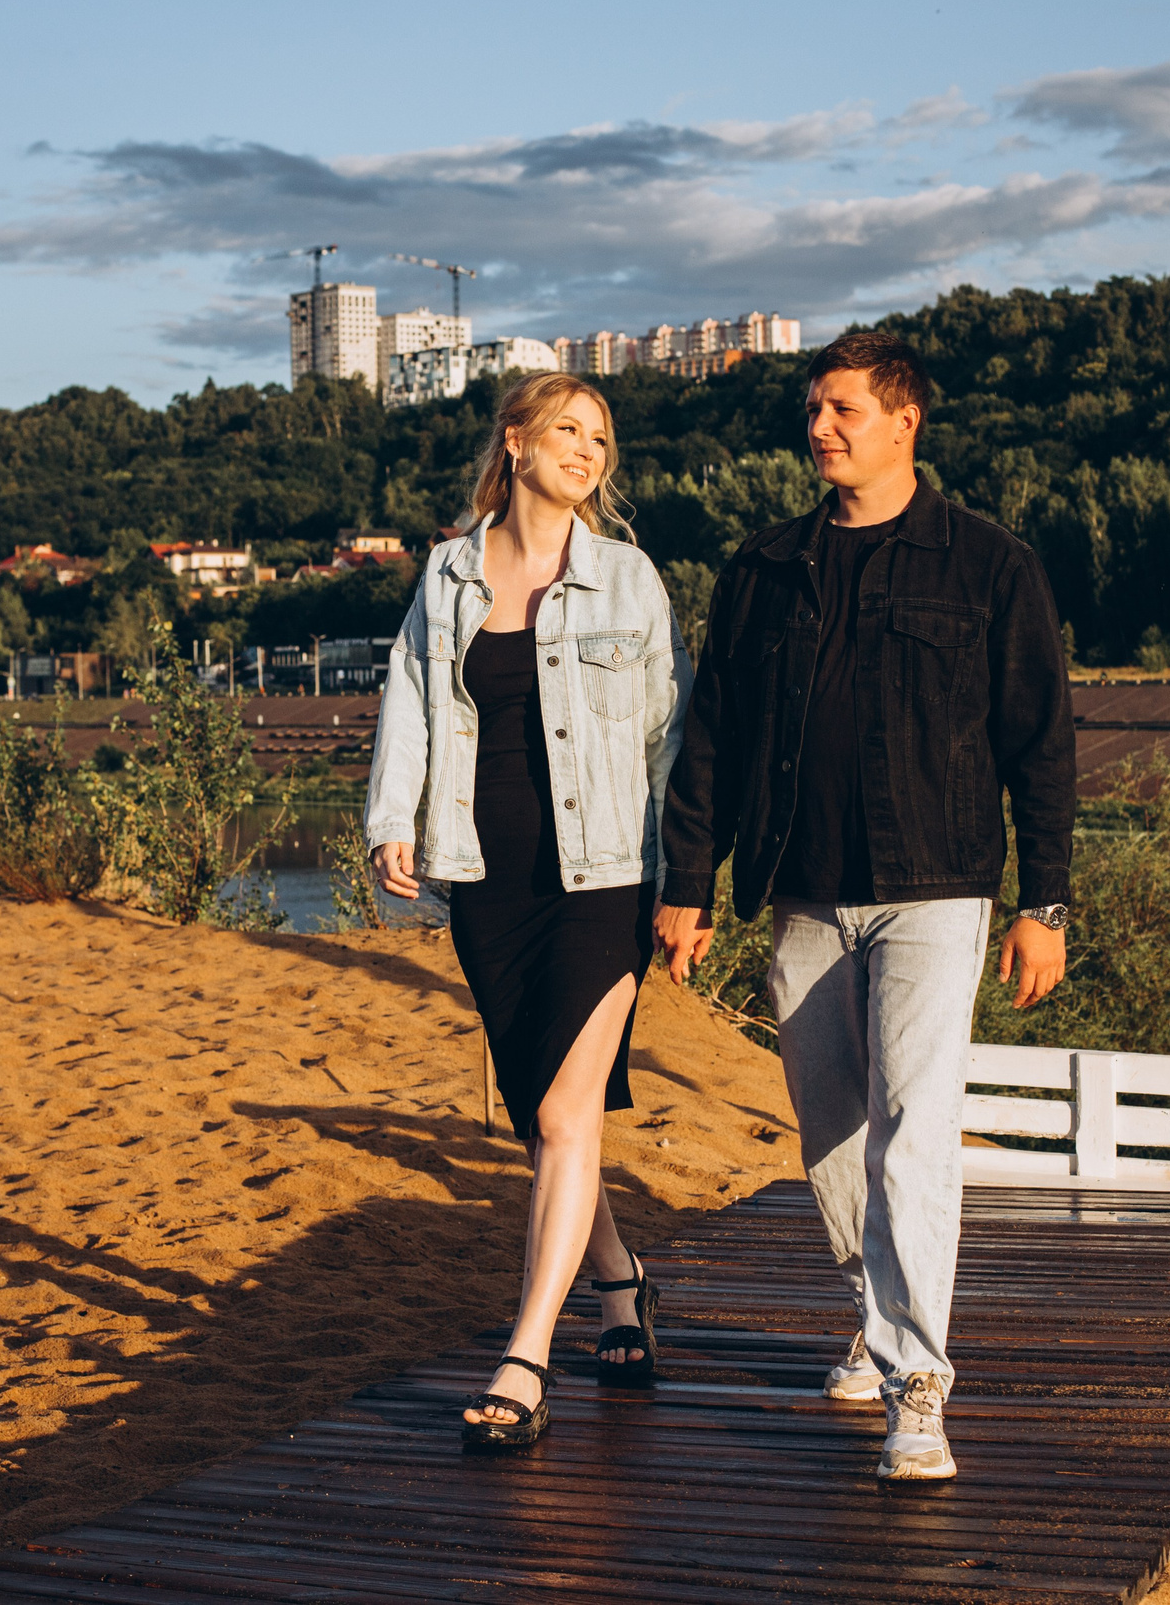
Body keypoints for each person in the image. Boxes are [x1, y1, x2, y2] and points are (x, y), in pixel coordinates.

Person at [653, 331, 1077, 1481]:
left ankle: (916, 1381)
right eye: (813, 409)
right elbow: (712, 736)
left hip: (935, 891)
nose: (820, 428)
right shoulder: (763, 567)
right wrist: (687, 885)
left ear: (904, 422)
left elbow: (1040, 742)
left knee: (912, 1129)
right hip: (800, 894)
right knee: (831, 1134)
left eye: (842, 409)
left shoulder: (988, 564)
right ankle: (874, 1309)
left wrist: (1045, 903)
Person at [364, 371, 688, 1448]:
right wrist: (390, 818)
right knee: (553, 1112)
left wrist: (684, 880)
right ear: (516, 441)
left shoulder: (627, 577)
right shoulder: (449, 571)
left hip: (604, 877)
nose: (589, 450)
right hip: (486, 877)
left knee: (558, 1118)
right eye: (569, 429)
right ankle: (620, 1278)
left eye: (601, 437)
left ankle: (527, 1356)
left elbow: (667, 733)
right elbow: (412, 697)